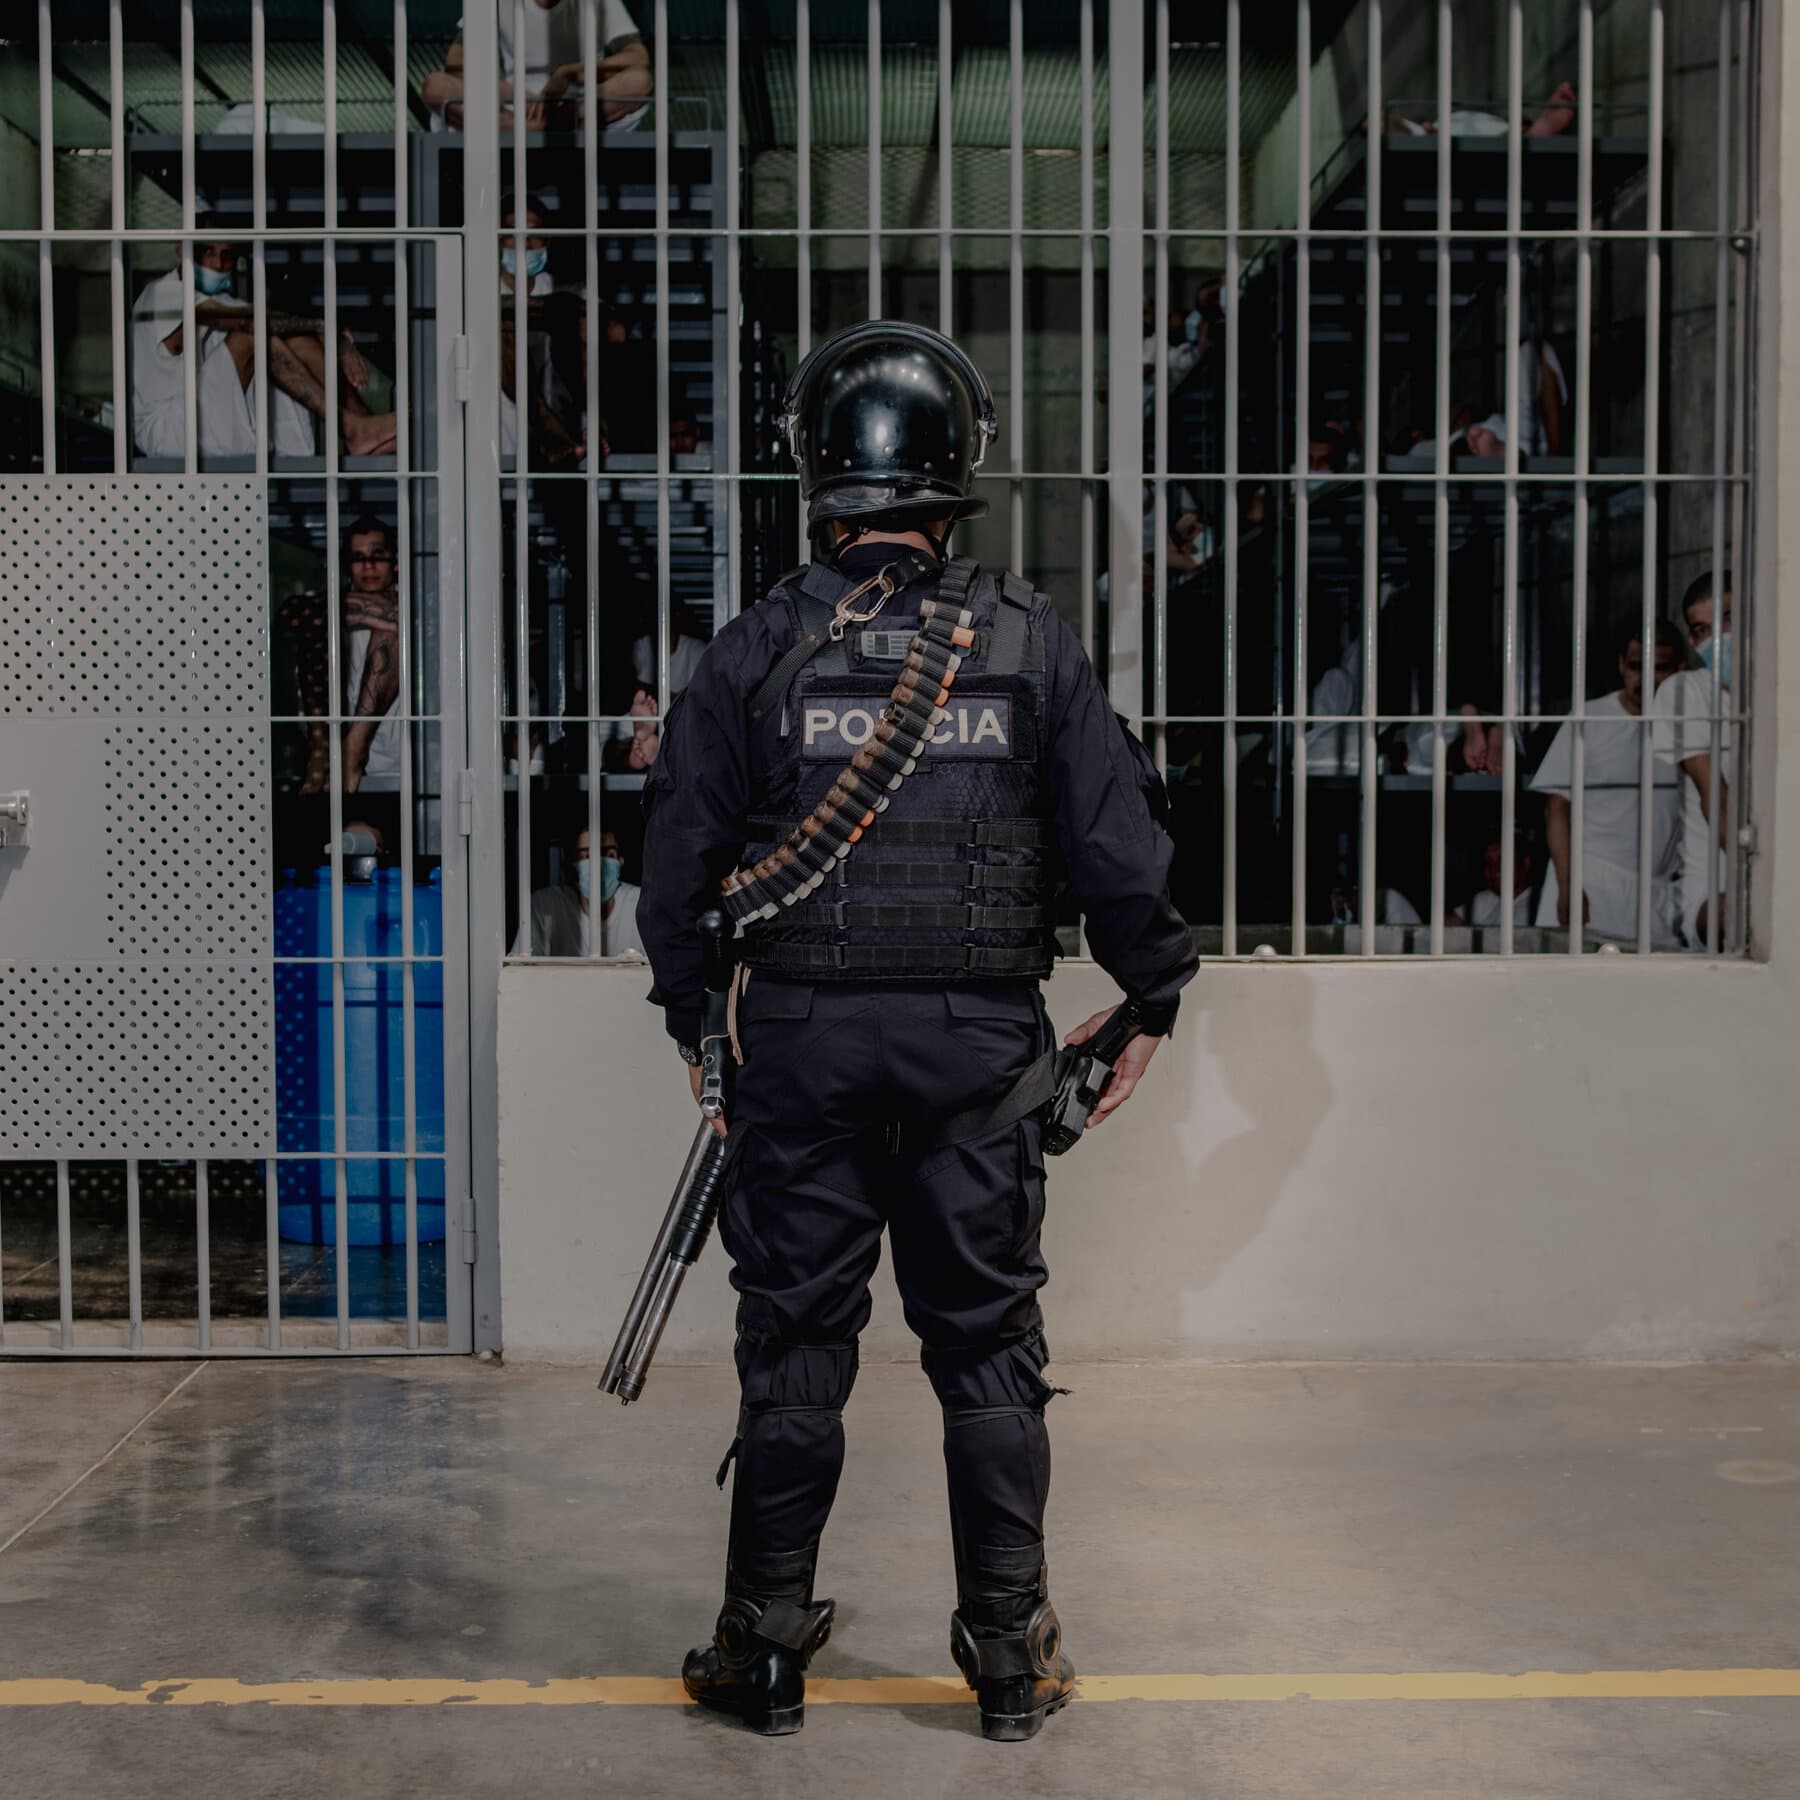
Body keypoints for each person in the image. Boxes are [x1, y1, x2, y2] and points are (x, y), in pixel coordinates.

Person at [639, 321, 1198, 1742]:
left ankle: (763, 1649)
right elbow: (1122, 853)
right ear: (958, 471)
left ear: (817, 473)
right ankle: (1009, 1653)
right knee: (989, 1349)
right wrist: (1151, 998)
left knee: (796, 1347)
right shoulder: (1027, 640)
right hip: (976, 1052)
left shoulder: (757, 647)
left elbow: (675, 873)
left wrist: (704, 1030)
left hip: (801, 1049)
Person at [131, 235, 397, 461]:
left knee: (291, 335)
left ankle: (363, 424)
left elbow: (278, 322)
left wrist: (331, 335)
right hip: (168, 431)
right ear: (181, 248)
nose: (216, 264)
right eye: (206, 251)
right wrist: (323, 327)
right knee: (254, 335)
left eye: (227, 256)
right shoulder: (162, 292)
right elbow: (246, 321)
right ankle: (351, 427)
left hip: (210, 422)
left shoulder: (221, 300)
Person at [1530, 620, 1682, 944]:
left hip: (1658, 894)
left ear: (1680, 669)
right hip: (1589, 885)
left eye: (1660, 668)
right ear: (1621, 665)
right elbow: (1556, 808)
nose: (1647, 679)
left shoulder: (1691, 725)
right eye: (1636, 667)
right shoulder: (1589, 718)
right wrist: (1568, 885)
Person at [1654, 572, 1735, 949]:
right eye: (1703, 630)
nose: (1718, 638)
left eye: (1728, 620)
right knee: (1745, 913)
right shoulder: (1685, 691)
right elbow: (1715, 799)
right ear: (1692, 641)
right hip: (1714, 881)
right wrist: (1764, 876)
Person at [422, 0, 651, 133]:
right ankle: (528, 128)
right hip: (513, 109)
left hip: (578, 106)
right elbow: (457, 61)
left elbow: (638, 57)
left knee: (640, 80)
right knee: (436, 86)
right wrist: (513, 93)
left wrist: (569, 74)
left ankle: (531, 129)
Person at [512, 828, 643, 957]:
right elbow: (521, 965)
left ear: (621, 860)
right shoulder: (545, 906)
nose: (597, 864)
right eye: (587, 855)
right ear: (575, 862)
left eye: (609, 854)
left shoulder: (640, 903)